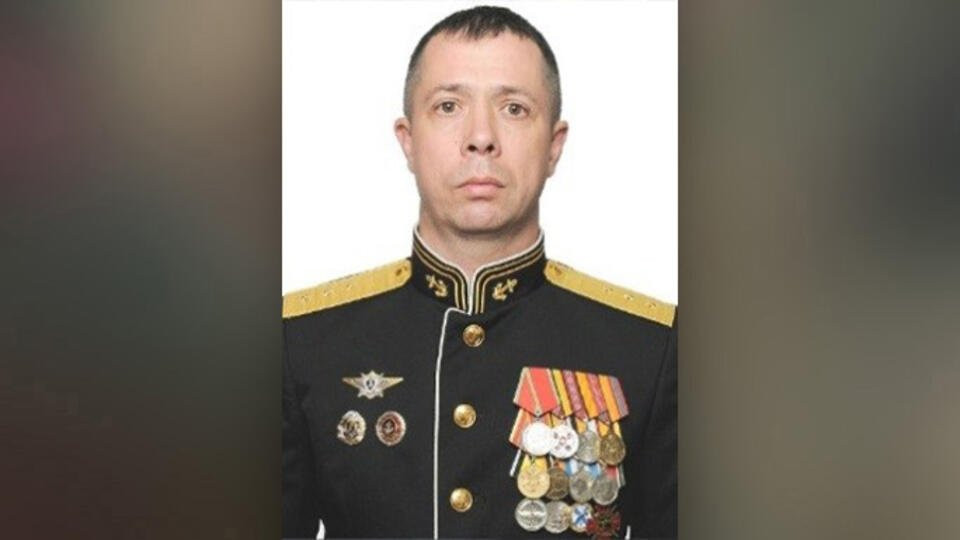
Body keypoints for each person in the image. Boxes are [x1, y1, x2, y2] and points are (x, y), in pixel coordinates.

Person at [282, 6, 676, 539]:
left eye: (514, 108)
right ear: (408, 141)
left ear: (554, 145)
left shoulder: (650, 348)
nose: (481, 137)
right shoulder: (303, 342)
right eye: (449, 106)